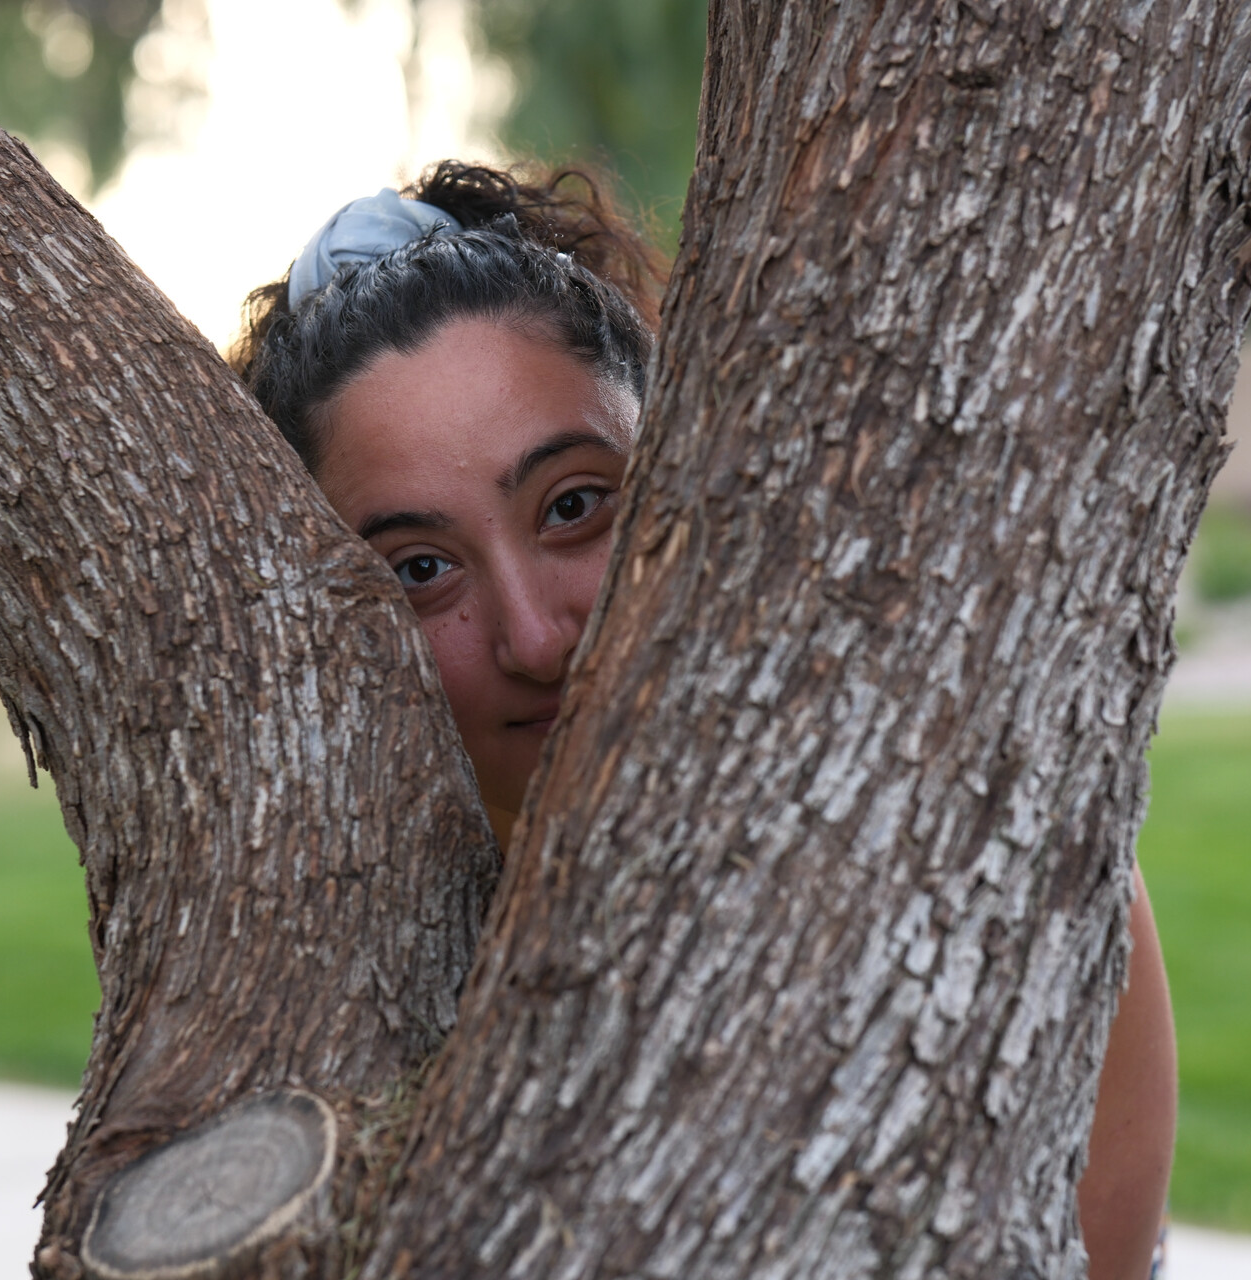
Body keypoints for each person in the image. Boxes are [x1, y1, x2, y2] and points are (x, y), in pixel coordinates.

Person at [230, 162, 1176, 1280]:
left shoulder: (971, 833)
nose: (535, 636)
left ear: (686, 456)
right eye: (423, 568)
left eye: (574, 506)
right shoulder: (318, 972)